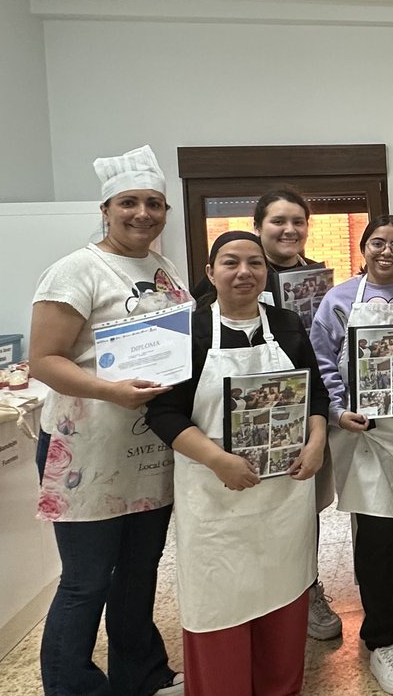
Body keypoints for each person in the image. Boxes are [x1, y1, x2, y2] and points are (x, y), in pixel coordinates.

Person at [29, 144, 189, 696]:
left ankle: (140, 676)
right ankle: (72, 687)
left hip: (147, 445)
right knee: (85, 581)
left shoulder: (162, 267)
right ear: (106, 209)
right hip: (86, 445)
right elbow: (44, 360)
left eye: (154, 203)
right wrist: (110, 391)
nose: (142, 213)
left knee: (139, 573)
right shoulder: (77, 269)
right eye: (129, 203)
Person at [145, 231, 328, 696]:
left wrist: (317, 442)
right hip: (214, 493)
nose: (244, 272)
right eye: (231, 263)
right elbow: (163, 413)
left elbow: (315, 395)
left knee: (283, 592)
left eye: (255, 263)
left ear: (267, 273)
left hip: (284, 492)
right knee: (219, 599)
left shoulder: (286, 324)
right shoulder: (190, 330)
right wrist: (218, 461)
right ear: (210, 273)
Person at [192, 188, 339, 640]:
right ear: (258, 226)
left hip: (300, 418)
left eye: (299, 220)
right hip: (227, 432)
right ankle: (245, 608)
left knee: (299, 512)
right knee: (236, 528)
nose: (289, 229)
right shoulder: (221, 283)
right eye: (278, 221)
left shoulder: (315, 278)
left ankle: (305, 589)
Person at [309, 215, 393, 695]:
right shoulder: (339, 300)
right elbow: (323, 362)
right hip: (362, 434)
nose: (387, 251)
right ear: (363, 247)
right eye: (378, 243)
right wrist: (340, 411)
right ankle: (380, 636)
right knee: (377, 536)